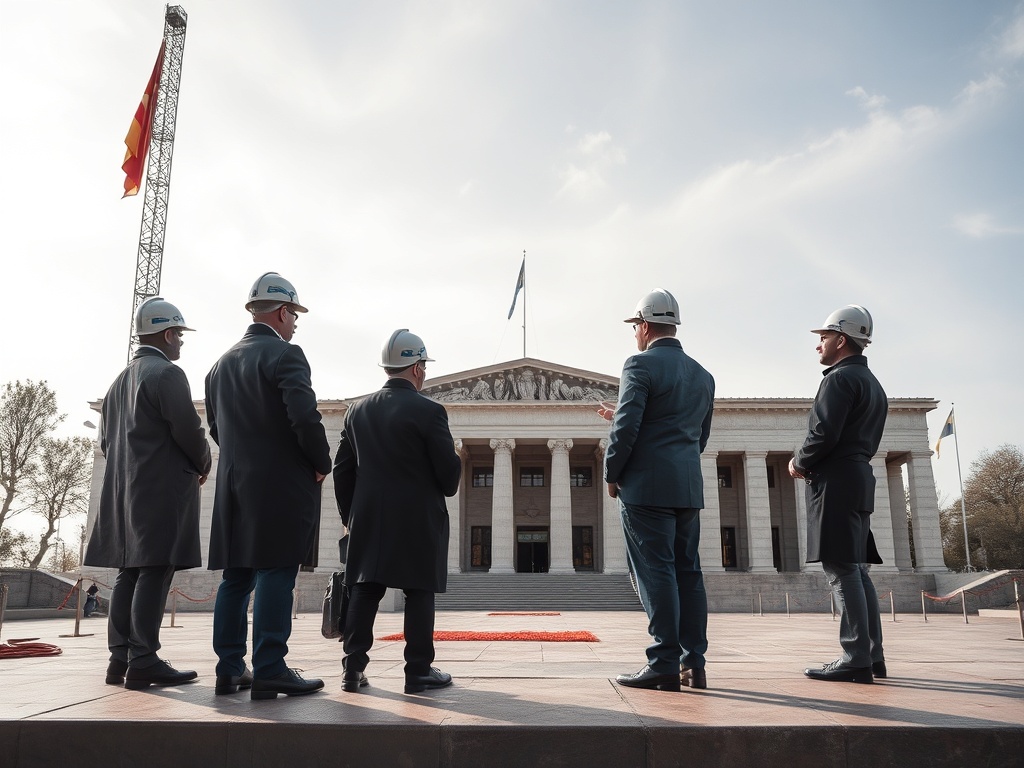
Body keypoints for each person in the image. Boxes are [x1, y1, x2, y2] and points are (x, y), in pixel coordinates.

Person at [205, 272, 332, 700]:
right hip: (278, 486)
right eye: (294, 315)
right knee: (277, 571)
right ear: (281, 312)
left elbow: (217, 429)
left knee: (236, 577)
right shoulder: (286, 355)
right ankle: (271, 668)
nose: (295, 323)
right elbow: (304, 417)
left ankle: (228, 669)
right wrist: (320, 462)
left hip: (234, 486)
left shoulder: (218, 366)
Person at [84, 297, 211, 689]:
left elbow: (106, 443)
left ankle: (118, 658)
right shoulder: (167, 374)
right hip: (159, 489)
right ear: (169, 333)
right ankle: (144, 659)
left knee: (130, 573)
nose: (181, 344)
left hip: (123, 491)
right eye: (180, 336)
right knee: (155, 570)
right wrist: (204, 463)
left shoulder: (118, 382)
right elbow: (189, 430)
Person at [333, 329, 462, 694]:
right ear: (418, 367)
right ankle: (418, 671)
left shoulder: (356, 411)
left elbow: (342, 469)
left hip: (369, 516)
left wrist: (350, 516)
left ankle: (352, 670)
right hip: (418, 517)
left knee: (364, 589)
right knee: (418, 592)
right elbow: (449, 478)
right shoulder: (430, 411)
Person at [604, 289, 715, 692]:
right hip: (686, 486)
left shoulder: (639, 363)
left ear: (644, 325)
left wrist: (612, 474)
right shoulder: (703, 374)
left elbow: (627, 427)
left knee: (657, 572)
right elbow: (698, 437)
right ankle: (693, 663)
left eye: (635, 327)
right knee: (690, 572)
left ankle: (664, 662)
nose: (635, 335)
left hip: (646, 486)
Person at [788, 305, 888, 684]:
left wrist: (799, 462)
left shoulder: (838, 379)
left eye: (824, 338)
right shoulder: (872, 383)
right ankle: (871, 655)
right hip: (860, 475)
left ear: (841, 339)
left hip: (837, 479)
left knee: (842, 568)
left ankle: (854, 656)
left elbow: (823, 433)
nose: (819, 346)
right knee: (857, 569)